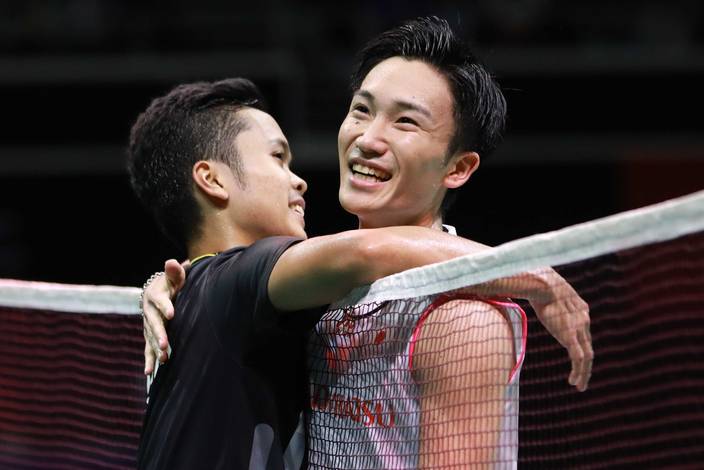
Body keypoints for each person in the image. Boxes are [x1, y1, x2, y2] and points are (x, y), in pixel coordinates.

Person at [141, 17, 593, 469]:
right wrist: (171, 284)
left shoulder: (460, 320)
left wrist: (535, 276)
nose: (368, 138)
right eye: (361, 110)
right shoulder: (322, 300)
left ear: (457, 168)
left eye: (405, 122)